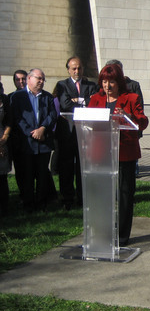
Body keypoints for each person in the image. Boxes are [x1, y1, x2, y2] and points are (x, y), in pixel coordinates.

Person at [88, 64, 148, 246]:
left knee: (124, 194)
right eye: (104, 82)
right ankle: (102, 232)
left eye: (111, 82)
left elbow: (143, 121)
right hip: (101, 154)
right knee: (102, 195)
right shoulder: (95, 99)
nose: (107, 86)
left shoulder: (131, 98)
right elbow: (87, 120)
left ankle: (122, 236)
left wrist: (128, 115)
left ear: (119, 81)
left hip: (125, 153)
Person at [10, 69, 57, 212]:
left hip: (43, 142)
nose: (41, 82)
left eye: (43, 79)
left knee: (42, 174)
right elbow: (17, 118)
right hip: (27, 144)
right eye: (39, 78)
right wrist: (32, 133)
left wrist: (42, 129)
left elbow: (52, 115)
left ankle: (42, 202)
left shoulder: (47, 97)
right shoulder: (18, 97)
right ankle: (28, 203)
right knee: (27, 174)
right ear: (29, 78)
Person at [54, 56, 97, 209]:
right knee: (66, 167)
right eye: (73, 68)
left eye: (79, 68)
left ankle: (82, 197)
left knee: (83, 167)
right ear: (68, 69)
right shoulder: (62, 85)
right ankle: (67, 198)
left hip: (86, 133)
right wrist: (84, 101)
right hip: (67, 132)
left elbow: (94, 103)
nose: (77, 71)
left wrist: (77, 100)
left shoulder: (91, 85)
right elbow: (65, 104)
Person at [9, 70, 28, 199]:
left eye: (23, 79)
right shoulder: (10, 97)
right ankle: (23, 194)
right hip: (16, 139)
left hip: (32, 137)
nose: (21, 82)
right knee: (20, 170)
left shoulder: (33, 95)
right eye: (18, 79)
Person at [0, 90, 11, 216]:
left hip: (3, 139)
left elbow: (9, 120)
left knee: (2, 177)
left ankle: (4, 208)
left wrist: (4, 139)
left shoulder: (4, 99)